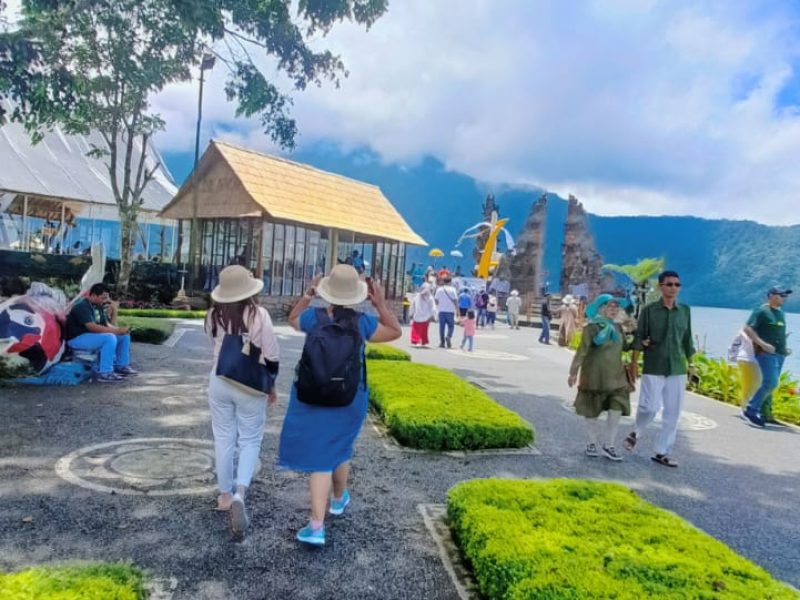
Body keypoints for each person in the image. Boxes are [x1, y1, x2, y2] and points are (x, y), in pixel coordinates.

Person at [278, 265, 401, 546]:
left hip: (314, 395)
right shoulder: (363, 323)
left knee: (327, 451)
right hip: (349, 398)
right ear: (357, 295)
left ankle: (329, 510)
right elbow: (395, 331)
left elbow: (292, 318)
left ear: (328, 293)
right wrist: (380, 302)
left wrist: (308, 293)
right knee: (333, 450)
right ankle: (321, 519)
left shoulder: (313, 318)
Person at [206, 265, 280, 538]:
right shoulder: (259, 314)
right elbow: (271, 354)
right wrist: (271, 384)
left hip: (219, 379)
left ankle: (224, 496)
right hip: (249, 383)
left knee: (223, 437)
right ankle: (240, 493)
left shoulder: (214, 314)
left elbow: (212, 347)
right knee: (249, 440)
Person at [623, 270, 695, 468]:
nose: (673, 288)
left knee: (673, 413)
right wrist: (634, 364)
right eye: (669, 284)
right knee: (649, 407)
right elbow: (639, 337)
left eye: (677, 285)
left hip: (678, 368)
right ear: (661, 287)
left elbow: (687, 340)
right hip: (654, 365)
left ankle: (662, 452)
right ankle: (636, 431)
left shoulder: (685, 311)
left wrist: (692, 366)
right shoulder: (649, 311)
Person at [568, 295, 632, 461]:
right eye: (610, 306)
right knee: (592, 412)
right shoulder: (591, 328)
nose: (614, 309)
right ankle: (591, 442)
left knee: (616, 410)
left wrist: (636, 334)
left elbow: (625, 346)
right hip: (594, 377)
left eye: (616, 306)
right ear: (600, 308)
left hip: (617, 378)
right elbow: (582, 351)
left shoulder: (618, 328)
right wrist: (573, 372)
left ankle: (609, 445)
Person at [742, 286, 793, 427]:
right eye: (781, 295)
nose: (784, 298)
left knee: (770, 384)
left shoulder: (780, 313)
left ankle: (766, 414)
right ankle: (751, 410)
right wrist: (762, 344)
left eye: (785, 295)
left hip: (780, 354)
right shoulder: (761, 311)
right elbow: (748, 328)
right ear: (771, 295)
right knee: (771, 382)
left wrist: (785, 348)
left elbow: (777, 333)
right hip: (766, 353)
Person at [65, 283, 136, 382]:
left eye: (106, 298)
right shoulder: (82, 306)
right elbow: (92, 327)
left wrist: (119, 329)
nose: (105, 301)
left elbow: (107, 324)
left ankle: (122, 366)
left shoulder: (98, 306)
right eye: (103, 298)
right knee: (109, 338)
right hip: (77, 338)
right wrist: (116, 331)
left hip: (91, 336)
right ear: (93, 295)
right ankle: (105, 373)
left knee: (124, 337)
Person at [727, 328, 761, 417]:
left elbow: (733, 345)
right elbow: (734, 345)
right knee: (750, 386)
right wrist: (732, 361)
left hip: (753, 360)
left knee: (753, 386)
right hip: (747, 359)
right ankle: (745, 410)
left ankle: (748, 409)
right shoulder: (745, 330)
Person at [434, 276, 458, 348]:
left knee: (442, 327)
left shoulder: (439, 289)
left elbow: (436, 300)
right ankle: (448, 336)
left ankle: (442, 342)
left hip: (441, 311)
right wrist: (457, 310)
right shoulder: (453, 289)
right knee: (451, 326)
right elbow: (455, 300)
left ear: (443, 281)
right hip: (450, 311)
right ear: (450, 282)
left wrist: (439, 304)